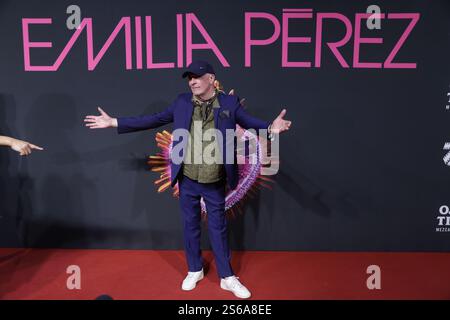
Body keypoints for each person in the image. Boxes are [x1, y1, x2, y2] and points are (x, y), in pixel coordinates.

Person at [84, 60, 291, 299]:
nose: (192, 81)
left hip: (215, 179)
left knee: (218, 228)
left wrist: (270, 127)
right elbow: (153, 119)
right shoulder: (182, 102)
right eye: (189, 77)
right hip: (188, 178)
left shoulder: (228, 103)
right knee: (190, 226)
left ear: (211, 80)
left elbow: (248, 122)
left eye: (197, 77)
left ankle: (227, 277)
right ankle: (194, 270)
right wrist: (115, 122)